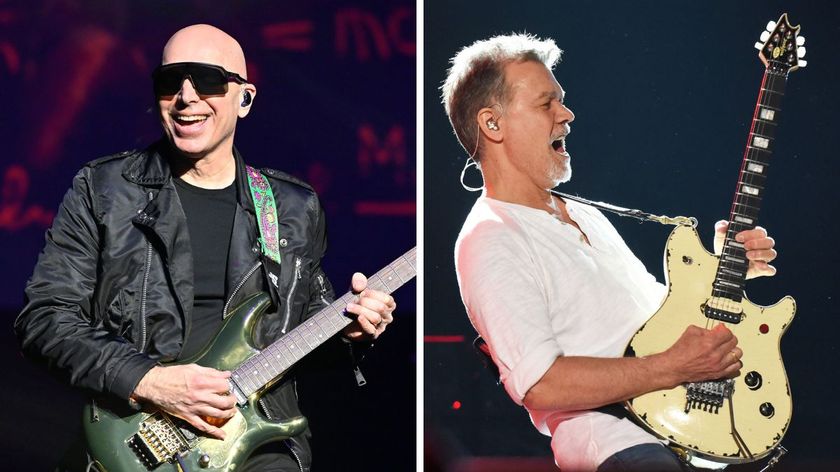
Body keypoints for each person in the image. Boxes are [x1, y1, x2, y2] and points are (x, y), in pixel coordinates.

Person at [15, 24, 396, 471]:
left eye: (208, 80)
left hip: (257, 442)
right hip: (136, 436)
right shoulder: (104, 190)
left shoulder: (293, 205)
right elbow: (45, 318)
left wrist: (349, 331)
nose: (187, 96)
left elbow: (299, 331)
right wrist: (149, 381)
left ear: (245, 98)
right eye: (170, 82)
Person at [443, 34, 778, 471]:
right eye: (547, 104)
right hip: (622, 447)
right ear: (493, 124)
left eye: (561, 101)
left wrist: (725, 269)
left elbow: (659, 319)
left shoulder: (584, 214)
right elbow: (540, 383)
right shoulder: (491, 236)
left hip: (689, 434)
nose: (566, 115)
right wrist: (671, 367)